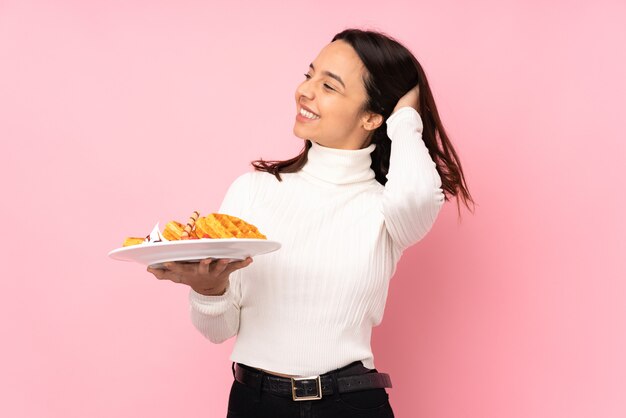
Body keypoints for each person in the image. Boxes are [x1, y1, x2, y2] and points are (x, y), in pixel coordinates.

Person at [148, 28, 474, 418]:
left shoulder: (385, 209)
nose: (305, 91)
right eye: (309, 75)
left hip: (350, 404)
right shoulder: (253, 191)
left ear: (372, 116)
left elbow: (418, 195)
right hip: (255, 403)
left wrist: (405, 116)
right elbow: (219, 330)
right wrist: (209, 289)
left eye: (329, 86)